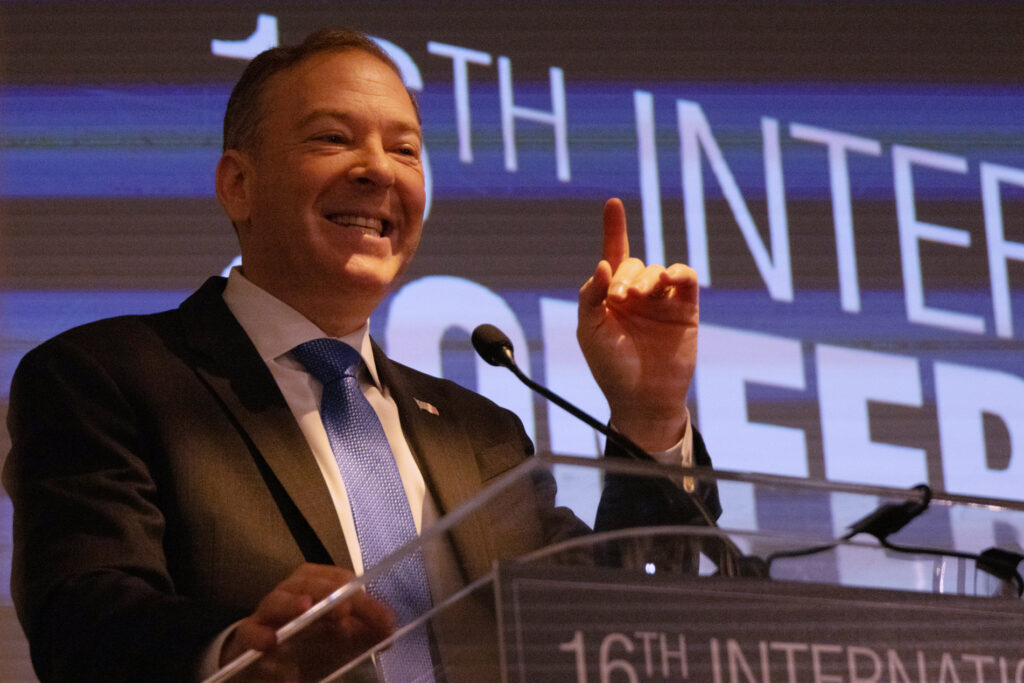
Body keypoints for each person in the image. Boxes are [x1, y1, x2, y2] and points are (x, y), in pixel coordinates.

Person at [3, 27, 719, 682]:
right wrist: (240, 653)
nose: (379, 170)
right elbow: (83, 617)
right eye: (333, 138)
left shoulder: (479, 433)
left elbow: (616, 624)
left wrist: (651, 413)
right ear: (239, 185)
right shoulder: (106, 377)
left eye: (405, 149)